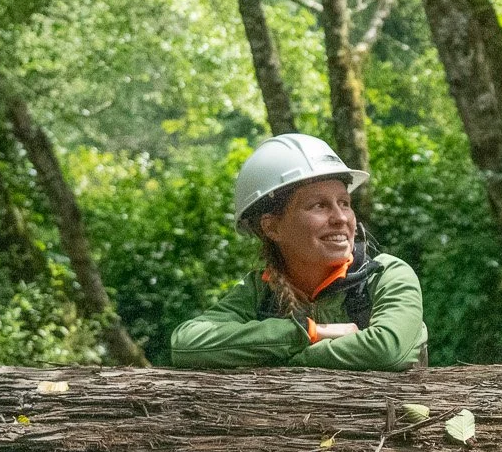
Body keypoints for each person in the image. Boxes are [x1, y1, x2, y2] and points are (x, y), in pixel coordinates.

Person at [171, 133, 427, 371]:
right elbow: (186, 343)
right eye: (319, 206)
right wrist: (309, 332)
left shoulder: (384, 275)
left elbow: (389, 349)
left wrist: (285, 362)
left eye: (344, 203)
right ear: (272, 227)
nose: (340, 218)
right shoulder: (260, 291)